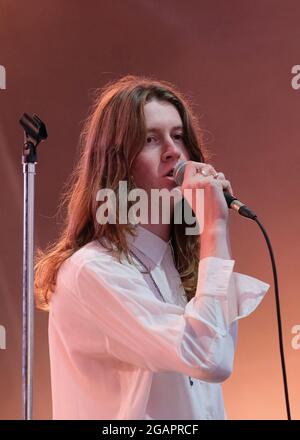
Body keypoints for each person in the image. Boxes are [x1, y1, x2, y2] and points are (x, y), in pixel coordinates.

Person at [35, 75, 270, 420]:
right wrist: (214, 227)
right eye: (150, 139)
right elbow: (209, 355)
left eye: (178, 136)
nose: (173, 151)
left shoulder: (177, 268)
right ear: (116, 162)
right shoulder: (92, 272)